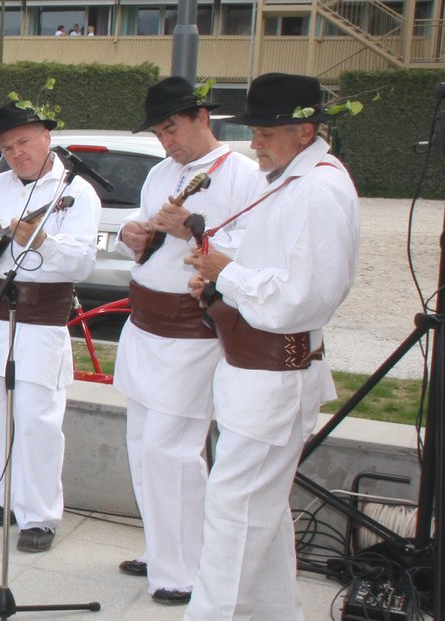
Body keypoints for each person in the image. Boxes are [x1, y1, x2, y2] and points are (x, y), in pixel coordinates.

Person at [183, 72, 360, 619]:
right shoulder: (287, 179)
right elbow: (260, 251)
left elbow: (300, 299)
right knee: (260, 514)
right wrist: (217, 270)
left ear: (303, 132)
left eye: (264, 132)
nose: (253, 142)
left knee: (234, 518)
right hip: (255, 375)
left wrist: (226, 274)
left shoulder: (317, 190)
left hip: (274, 376)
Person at [112, 77, 257, 605]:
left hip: (190, 329)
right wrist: (133, 233)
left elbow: (251, 248)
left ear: (202, 118)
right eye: (158, 133)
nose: (166, 142)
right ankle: (161, 548)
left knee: (171, 451)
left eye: (172, 129)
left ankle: (187, 569)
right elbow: (144, 231)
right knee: (141, 445)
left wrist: (194, 229)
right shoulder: (159, 172)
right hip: (144, 321)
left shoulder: (241, 174)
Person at [0, 101, 101, 552]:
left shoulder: (76, 190)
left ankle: (41, 516)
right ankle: (5, 496)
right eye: (8, 146)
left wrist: (43, 242)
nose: (17, 153)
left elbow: (84, 261)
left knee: (37, 419)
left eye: (24, 141)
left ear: (46, 137)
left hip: (40, 318)